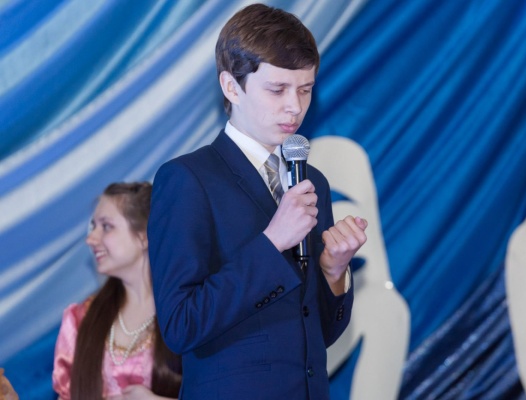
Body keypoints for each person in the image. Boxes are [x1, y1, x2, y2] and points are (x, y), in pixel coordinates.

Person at [147, 3, 368, 399]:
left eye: (305, 89)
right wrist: (271, 242)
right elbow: (180, 325)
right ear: (231, 87)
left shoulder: (311, 181)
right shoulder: (187, 179)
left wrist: (334, 272)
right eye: (277, 89)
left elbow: (317, 334)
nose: (294, 106)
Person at [52, 182, 181, 400]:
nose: (90, 239)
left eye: (106, 226)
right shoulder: (80, 320)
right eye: (93, 226)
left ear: (144, 235)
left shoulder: (189, 313)